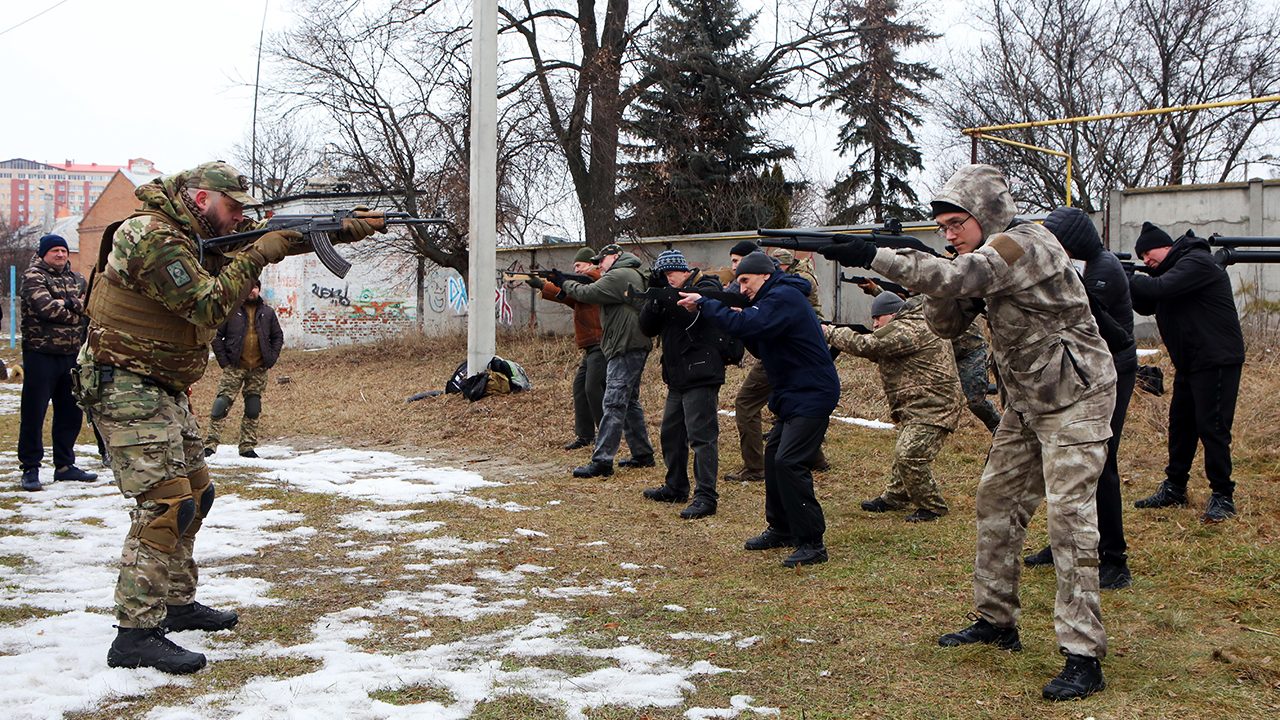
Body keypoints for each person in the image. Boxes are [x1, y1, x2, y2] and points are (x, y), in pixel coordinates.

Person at [817, 164, 1117, 701]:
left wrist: (881, 255)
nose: (949, 235)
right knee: (995, 503)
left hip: (1077, 398)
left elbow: (962, 276)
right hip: (1027, 402)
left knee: (1070, 521)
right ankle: (997, 621)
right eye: (944, 228)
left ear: (989, 215)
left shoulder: (1027, 244)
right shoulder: (974, 261)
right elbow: (947, 323)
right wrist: (932, 277)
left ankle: (1082, 652)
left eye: (957, 223)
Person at [74, 161, 381, 674]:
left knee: (197, 493)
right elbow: (207, 306)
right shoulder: (152, 237)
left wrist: (343, 229)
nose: (240, 218)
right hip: (124, 382)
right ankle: (135, 633)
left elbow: (270, 239)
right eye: (233, 207)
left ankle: (175, 602)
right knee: (166, 505)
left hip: (161, 385)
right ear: (200, 199)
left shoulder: (198, 233)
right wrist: (262, 252)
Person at [679, 251, 839, 567]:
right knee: (774, 457)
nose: (742, 287)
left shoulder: (784, 297)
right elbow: (757, 337)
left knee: (790, 461)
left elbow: (752, 324)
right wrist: (736, 313)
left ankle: (812, 542)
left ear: (765, 275)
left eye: (745, 280)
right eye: (738, 282)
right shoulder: (771, 299)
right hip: (794, 393)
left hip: (813, 393)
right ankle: (781, 529)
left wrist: (708, 304)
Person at [1025, 206, 1138, 589]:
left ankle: (1115, 560)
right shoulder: (1088, 264)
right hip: (1089, 370)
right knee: (1067, 463)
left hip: (1113, 370)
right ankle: (1063, 544)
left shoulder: (1103, 268)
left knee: (1101, 463)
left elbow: (1082, 317)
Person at [1128, 222, 1244, 523]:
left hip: (1216, 358)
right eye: (1140, 257)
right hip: (1190, 361)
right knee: (1181, 426)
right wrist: (1126, 281)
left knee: (1212, 427)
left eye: (1147, 253)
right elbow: (1146, 303)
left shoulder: (1196, 261)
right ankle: (1175, 487)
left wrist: (1127, 276)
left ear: (1166, 246)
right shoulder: (1170, 270)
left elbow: (1159, 288)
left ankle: (1223, 494)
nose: (1145, 260)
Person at [825, 291, 963, 523]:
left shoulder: (909, 327)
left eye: (878, 317)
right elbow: (880, 350)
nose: (875, 323)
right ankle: (896, 496)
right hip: (918, 403)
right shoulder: (913, 325)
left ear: (893, 314)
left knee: (909, 454)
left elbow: (867, 345)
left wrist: (829, 332)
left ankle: (932, 506)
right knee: (906, 447)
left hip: (935, 405)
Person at [724, 243, 829, 482]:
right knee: (790, 406)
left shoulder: (785, 290)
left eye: (738, 262)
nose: (734, 268)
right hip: (791, 351)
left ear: (767, 271)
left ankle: (755, 467)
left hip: (784, 349)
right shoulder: (787, 285)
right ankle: (813, 457)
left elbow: (760, 321)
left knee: (747, 403)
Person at [638, 249, 725, 520]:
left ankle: (706, 496)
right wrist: (655, 297)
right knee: (671, 433)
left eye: (671, 273)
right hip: (677, 376)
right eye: (663, 274)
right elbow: (647, 328)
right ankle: (675, 485)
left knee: (702, 437)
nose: (668, 278)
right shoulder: (666, 291)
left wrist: (689, 301)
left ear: (685, 270)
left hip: (701, 374)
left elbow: (711, 307)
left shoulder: (705, 287)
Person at [556, 243, 654, 478]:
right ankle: (643, 454)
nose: (599, 264)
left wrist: (564, 283)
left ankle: (602, 461)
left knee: (613, 402)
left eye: (602, 259)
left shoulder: (620, 274)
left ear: (616, 257)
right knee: (629, 401)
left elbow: (586, 293)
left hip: (625, 345)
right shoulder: (630, 273)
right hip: (631, 343)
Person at [17, 233, 97, 491]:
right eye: (55, 251)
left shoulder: (78, 279)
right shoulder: (33, 276)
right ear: (43, 254)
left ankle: (65, 466)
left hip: (72, 354)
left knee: (70, 411)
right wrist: (74, 307)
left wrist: (69, 304)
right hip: (40, 354)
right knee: (34, 412)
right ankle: (30, 467)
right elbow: (46, 309)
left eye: (63, 250)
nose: (61, 255)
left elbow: (89, 309)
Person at [525, 247, 604, 450]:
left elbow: (578, 289)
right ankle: (585, 436)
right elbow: (570, 297)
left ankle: (606, 435)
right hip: (590, 345)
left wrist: (550, 282)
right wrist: (543, 286)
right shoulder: (582, 286)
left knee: (593, 388)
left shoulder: (596, 278)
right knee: (580, 388)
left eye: (579, 265)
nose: (576, 270)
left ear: (591, 263)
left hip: (600, 343)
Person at [203, 279, 284, 459]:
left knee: (253, 407)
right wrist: (224, 361)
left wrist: (271, 358)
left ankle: (247, 446)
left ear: (259, 290)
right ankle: (210, 444)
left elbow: (277, 336)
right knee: (221, 405)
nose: (251, 291)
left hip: (258, 368)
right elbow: (216, 336)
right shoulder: (231, 311)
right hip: (234, 367)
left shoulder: (268, 313)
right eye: (248, 288)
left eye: (254, 288)